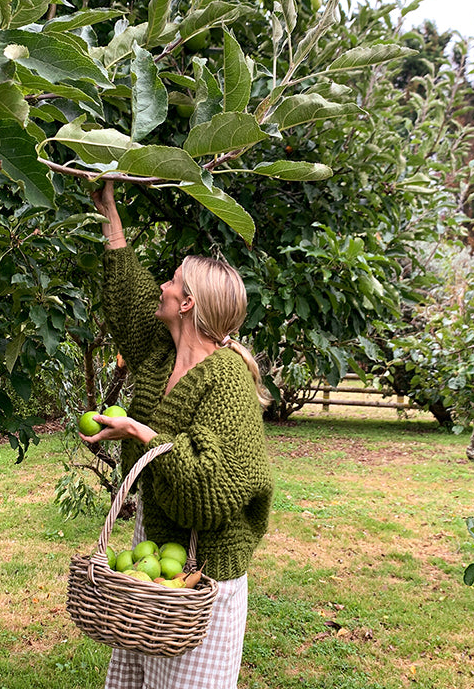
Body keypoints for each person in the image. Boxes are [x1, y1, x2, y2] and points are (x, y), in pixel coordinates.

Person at [81, 180, 274, 689]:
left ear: (188, 304)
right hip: (156, 563)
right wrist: (112, 223)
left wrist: (140, 433)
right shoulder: (162, 354)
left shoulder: (227, 379)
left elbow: (208, 491)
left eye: (171, 281)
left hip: (201, 573)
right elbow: (130, 302)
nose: (162, 288)